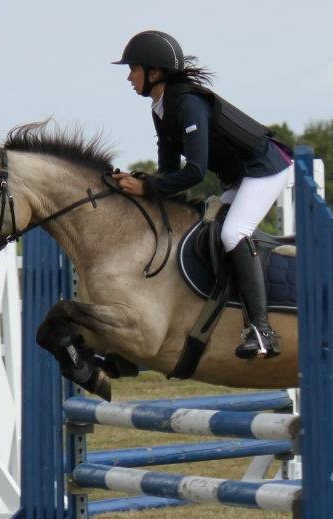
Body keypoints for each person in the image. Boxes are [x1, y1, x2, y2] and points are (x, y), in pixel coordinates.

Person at [111, 30, 292, 360]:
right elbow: (168, 172)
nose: (128, 76)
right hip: (239, 176)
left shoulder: (188, 103)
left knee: (233, 233)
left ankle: (263, 331)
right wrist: (138, 181)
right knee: (211, 233)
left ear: (154, 72)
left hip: (265, 166)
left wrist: (148, 187)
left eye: (133, 68)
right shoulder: (161, 108)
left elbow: (193, 172)